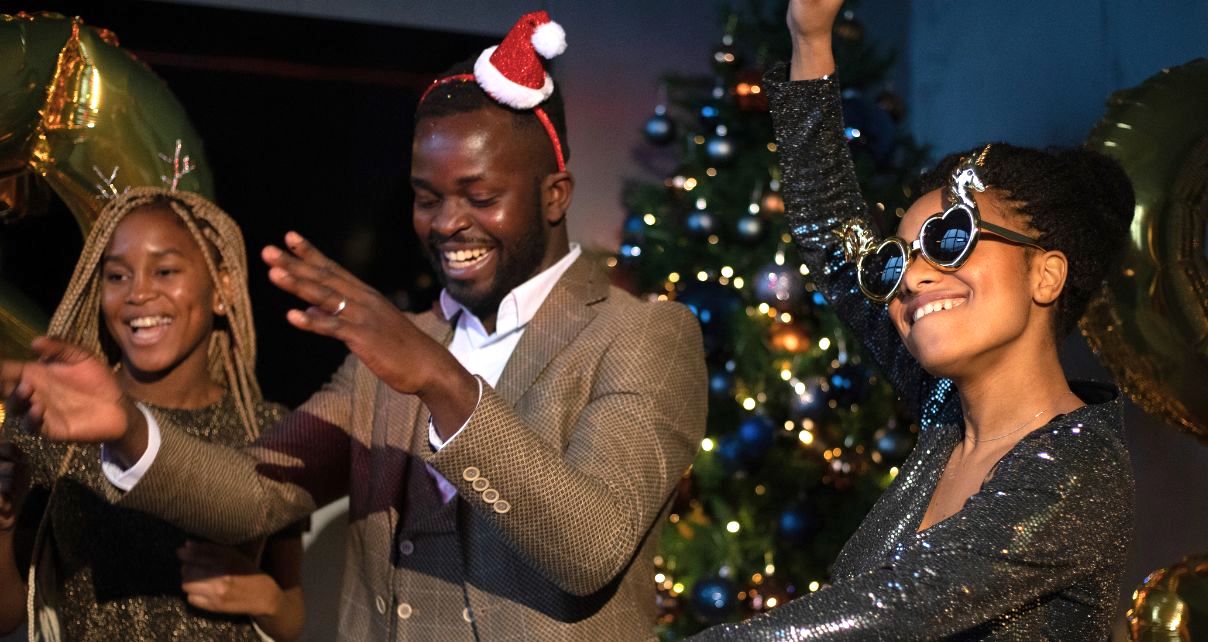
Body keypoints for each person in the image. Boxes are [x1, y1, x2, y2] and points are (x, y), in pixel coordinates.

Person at [2, 11, 707, 640]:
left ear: (555, 195)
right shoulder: (395, 347)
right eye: (427, 198)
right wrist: (128, 427)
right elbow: (253, 496)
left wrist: (440, 380)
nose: (448, 223)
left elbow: (591, 549)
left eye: (480, 195)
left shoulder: (642, 336)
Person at [689, 1, 1137, 640]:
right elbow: (832, 234)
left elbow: (887, 610)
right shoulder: (944, 419)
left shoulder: (1078, 468)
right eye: (894, 259)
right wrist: (810, 38)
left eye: (950, 239)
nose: (911, 277)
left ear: (1046, 275)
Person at [0, 188, 305, 641]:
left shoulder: (268, 429)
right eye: (117, 276)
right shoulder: (55, 422)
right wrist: (4, 524)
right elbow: (7, 615)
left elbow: (292, 613)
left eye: (165, 271)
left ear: (222, 288)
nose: (139, 292)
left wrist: (265, 598)